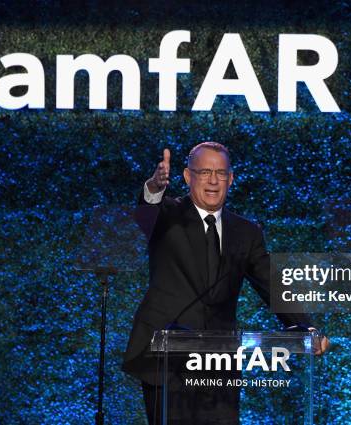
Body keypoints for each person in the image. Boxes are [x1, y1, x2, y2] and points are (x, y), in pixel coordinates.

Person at [122, 142, 329, 424]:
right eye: (205, 171)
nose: (213, 180)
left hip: (219, 363)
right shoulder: (166, 216)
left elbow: (271, 284)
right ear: (187, 176)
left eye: (220, 173)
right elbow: (147, 207)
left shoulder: (246, 232)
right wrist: (155, 186)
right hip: (166, 357)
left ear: (230, 179)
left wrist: (306, 326)